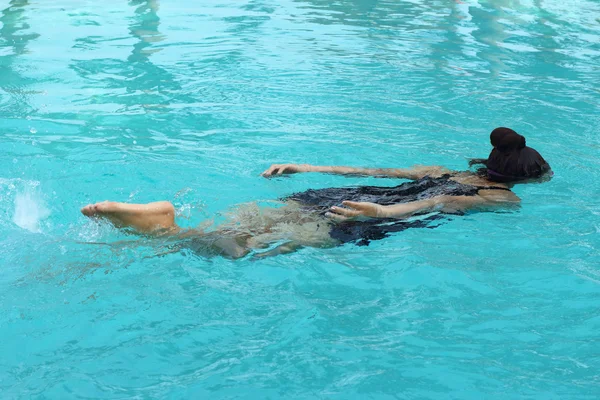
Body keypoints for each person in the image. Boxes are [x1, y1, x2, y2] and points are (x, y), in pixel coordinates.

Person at [81, 127, 551, 258]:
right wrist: (387, 215)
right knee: (241, 248)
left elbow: (375, 169)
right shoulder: (502, 199)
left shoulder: (441, 167)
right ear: (523, 179)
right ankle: (163, 227)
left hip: (333, 193)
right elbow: (441, 203)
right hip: (361, 212)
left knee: (239, 226)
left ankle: (164, 227)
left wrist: (303, 166)